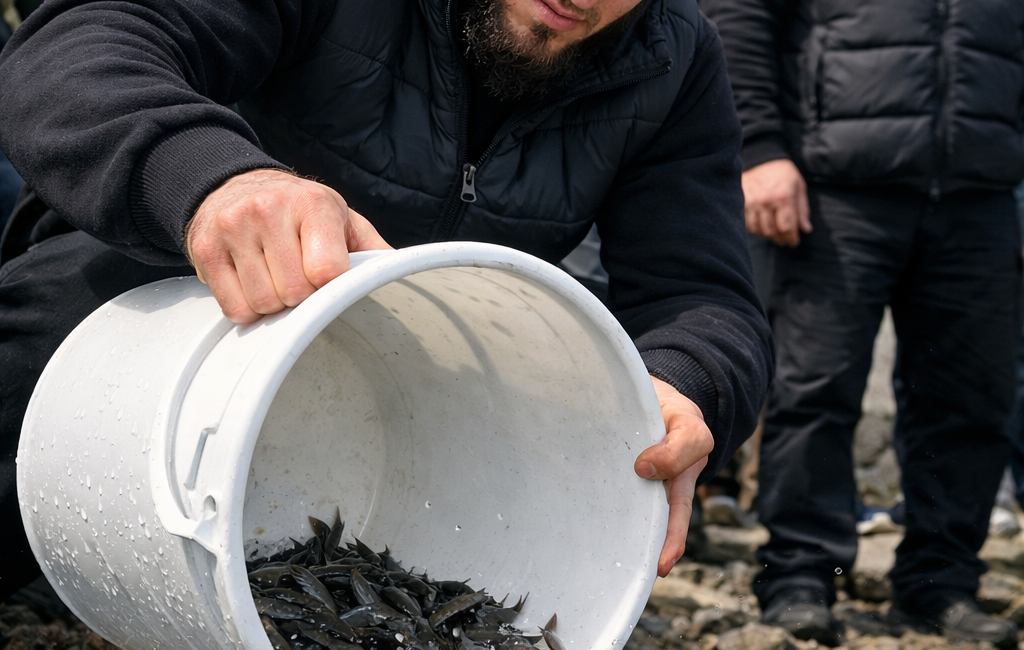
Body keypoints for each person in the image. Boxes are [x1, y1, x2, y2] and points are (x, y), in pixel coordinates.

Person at [0, 0, 772, 599]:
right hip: (181, 295)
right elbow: (74, 47)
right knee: (54, 337)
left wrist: (684, 381)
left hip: (407, 397)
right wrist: (210, 175)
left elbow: (703, 292)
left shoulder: (673, 53)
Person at [701, 0, 1024, 647]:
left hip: (981, 190)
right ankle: (798, 573)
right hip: (836, 185)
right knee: (814, 390)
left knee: (973, 398)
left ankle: (943, 582)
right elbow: (740, 11)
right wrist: (760, 147)